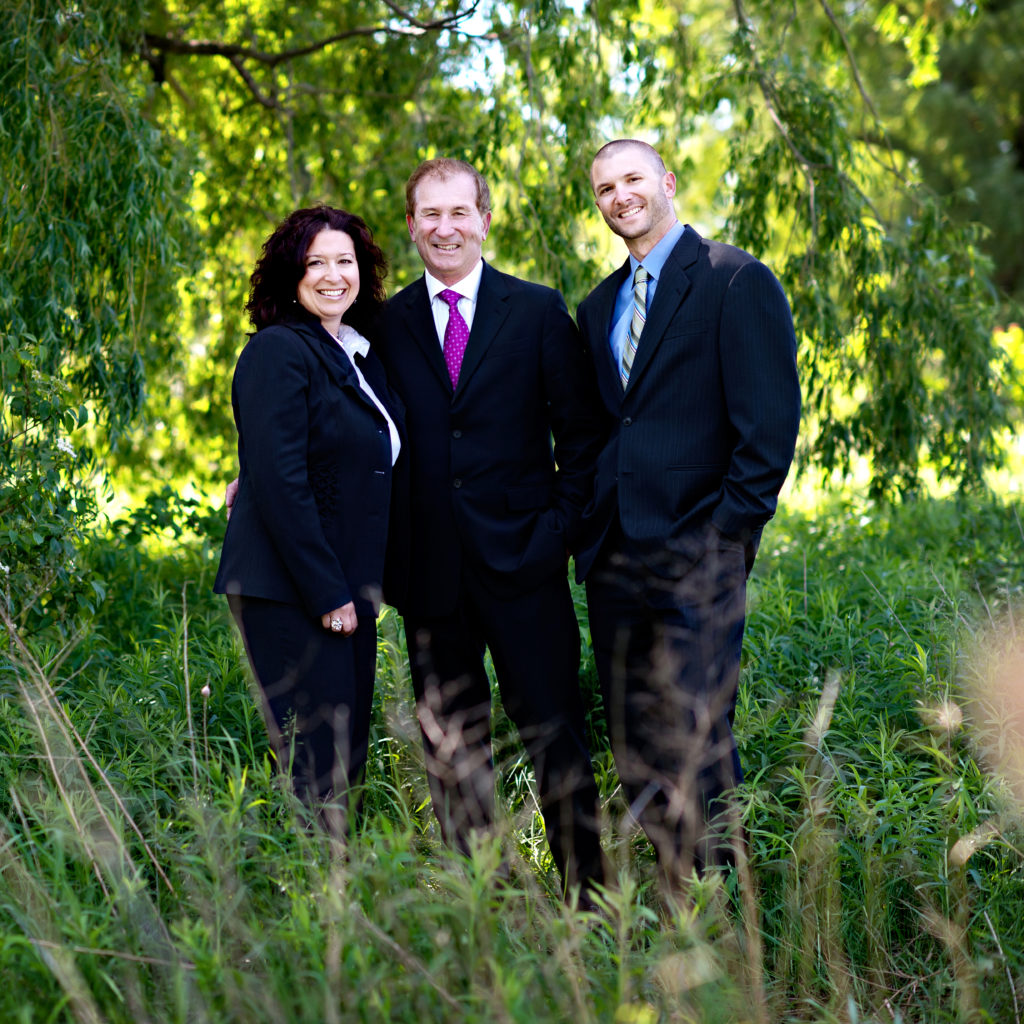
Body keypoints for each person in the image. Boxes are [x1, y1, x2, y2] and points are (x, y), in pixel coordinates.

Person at [574, 139, 801, 888]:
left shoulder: (735, 280)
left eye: (633, 179)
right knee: (634, 739)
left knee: (699, 738)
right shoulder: (598, 304)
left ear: (666, 182)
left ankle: (725, 918)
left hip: (697, 554)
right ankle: (674, 901)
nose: (620, 196)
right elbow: (616, 427)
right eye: (605, 187)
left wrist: (722, 537)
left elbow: (767, 433)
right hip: (614, 561)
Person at [379, 158, 606, 901]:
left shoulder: (537, 312)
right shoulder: (384, 323)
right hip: (430, 577)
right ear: (411, 226)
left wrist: (555, 534)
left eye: (458, 213)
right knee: (453, 753)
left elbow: (581, 441)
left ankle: (591, 908)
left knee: (556, 739)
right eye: (429, 215)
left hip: (526, 568)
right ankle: (485, 910)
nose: (444, 227)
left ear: (484, 219)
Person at [214, 205, 403, 827]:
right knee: (315, 769)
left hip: (345, 588)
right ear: (289, 276)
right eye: (314, 262)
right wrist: (328, 592)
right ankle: (304, 906)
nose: (331, 275)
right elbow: (280, 480)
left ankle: (337, 909)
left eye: (343, 261)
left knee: (343, 765)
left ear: (362, 271)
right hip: (294, 590)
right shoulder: (278, 351)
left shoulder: (354, 354)